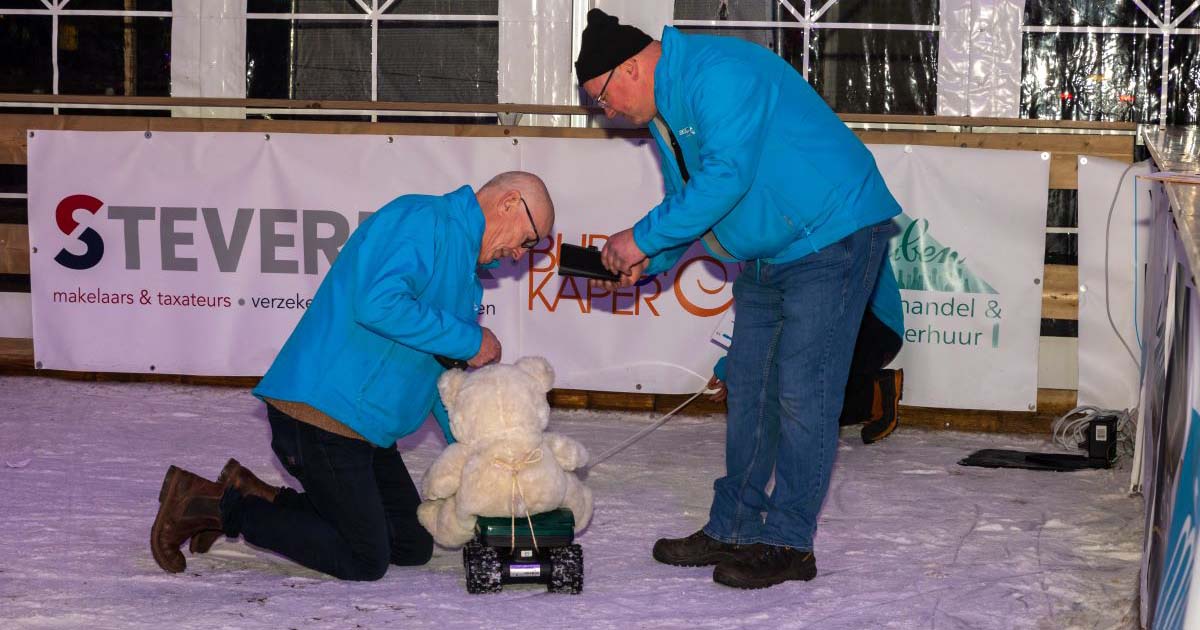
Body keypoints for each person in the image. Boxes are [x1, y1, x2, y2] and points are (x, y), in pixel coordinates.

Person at [575, 9, 903, 589]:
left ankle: (789, 544)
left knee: (804, 393)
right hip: (773, 250)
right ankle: (733, 526)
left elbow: (726, 177)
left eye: (600, 97)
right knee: (749, 386)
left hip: (831, 232)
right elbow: (694, 204)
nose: (606, 112)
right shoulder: (666, 111)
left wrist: (642, 236)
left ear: (629, 67)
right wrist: (650, 258)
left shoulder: (716, 72)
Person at [150, 171, 555, 581]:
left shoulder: (467, 278)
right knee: (364, 556)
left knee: (411, 545)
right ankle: (211, 505)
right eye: (529, 240)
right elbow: (377, 303)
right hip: (321, 414)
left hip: (366, 429)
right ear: (509, 203)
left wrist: (484, 454)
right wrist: (469, 339)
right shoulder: (423, 219)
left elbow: (440, 375)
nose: (521, 255)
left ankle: (256, 494)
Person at [709, 259, 905, 445]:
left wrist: (735, 367)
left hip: (871, 327)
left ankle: (874, 395)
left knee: (798, 405)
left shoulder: (800, 238)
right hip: (874, 328)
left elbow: (789, 321)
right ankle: (872, 394)